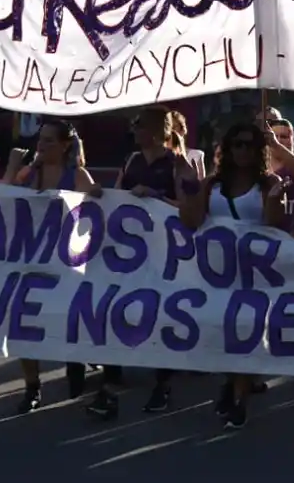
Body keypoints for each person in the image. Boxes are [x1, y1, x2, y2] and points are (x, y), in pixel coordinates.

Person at [86, 105, 192, 418]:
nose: (134, 130)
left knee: (159, 313)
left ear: (158, 130)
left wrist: (157, 197)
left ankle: (163, 382)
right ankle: (109, 381)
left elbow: (190, 209)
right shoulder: (131, 160)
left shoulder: (178, 163)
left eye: (139, 124)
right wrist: (98, 194)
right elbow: (117, 196)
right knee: (116, 305)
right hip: (130, 253)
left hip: (165, 253)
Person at [181, 118, 284, 429]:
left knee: (245, 333)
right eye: (237, 144)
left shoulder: (266, 185)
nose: (243, 150)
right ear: (227, 149)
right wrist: (191, 190)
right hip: (218, 274)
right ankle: (233, 382)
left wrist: (276, 200)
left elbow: (273, 229)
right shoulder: (212, 184)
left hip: (253, 273)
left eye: (250, 145)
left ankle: (240, 399)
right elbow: (191, 222)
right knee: (222, 330)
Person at [10, 119, 101, 413]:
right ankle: (32, 386)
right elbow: (7, 192)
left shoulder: (75, 175)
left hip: (64, 259)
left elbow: (97, 196)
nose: (42, 145)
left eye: (50, 140)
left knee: (66, 316)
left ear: (64, 146)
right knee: (23, 321)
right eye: (41, 139)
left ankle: (74, 362)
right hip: (29, 255)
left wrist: (96, 193)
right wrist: (15, 164)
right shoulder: (31, 172)